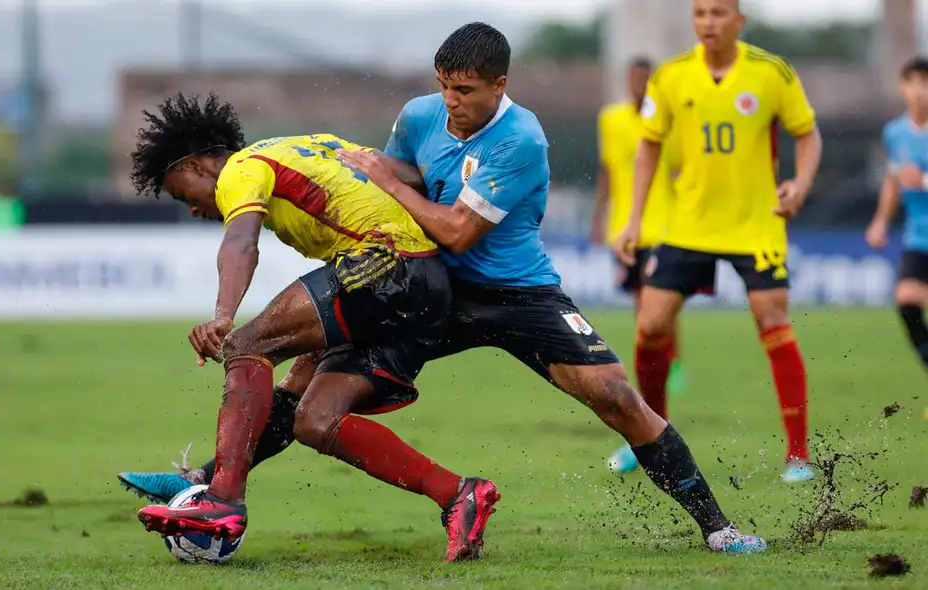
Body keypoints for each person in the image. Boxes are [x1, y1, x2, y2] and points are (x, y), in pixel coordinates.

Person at [122, 22, 767, 555]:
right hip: (426, 292)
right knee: (310, 404)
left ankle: (717, 526)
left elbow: (455, 229)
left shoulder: (521, 138)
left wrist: (391, 184)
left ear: (499, 86)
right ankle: (204, 486)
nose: (452, 101)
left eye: (465, 90)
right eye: (445, 87)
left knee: (617, 398)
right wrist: (365, 178)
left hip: (515, 293)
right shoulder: (420, 116)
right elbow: (388, 180)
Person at [127, 93, 500, 563]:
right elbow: (409, 176)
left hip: (387, 265)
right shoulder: (308, 144)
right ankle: (460, 494)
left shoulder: (242, 168)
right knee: (310, 416)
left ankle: (221, 501)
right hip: (425, 288)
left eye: (183, 193)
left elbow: (242, 241)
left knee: (246, 345)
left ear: (199, 164)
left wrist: (223, 317)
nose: (194, 209)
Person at [613, 0, 823, 484]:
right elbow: (649, 144)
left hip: (756, 224)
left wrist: (801, 184)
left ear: (739, 20)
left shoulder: (772, 73)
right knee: (650, 324)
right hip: (689, 226)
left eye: (719, 12)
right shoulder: (671, 77)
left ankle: (798, 455)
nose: (708, 21)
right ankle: (649, 437)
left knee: (772, 317)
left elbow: (807, 134)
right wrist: (633, 219)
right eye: (701, 12)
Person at [593, 57, 685, 474]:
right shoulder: (610, 119)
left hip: (664, 227)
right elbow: (610, 171)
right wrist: (600, 217)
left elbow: (682, 171)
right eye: (633, 79)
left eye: (646, 80)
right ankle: (649, 427)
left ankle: (653, 412)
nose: (639, 85)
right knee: (642, 313)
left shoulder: (670, 119)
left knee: (654, 313)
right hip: (625, 228)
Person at [866, 57, 928, 381]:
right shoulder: (895, 133)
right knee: (906, 303)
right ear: (903, 87)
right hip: (918, 235)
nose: (919, 91)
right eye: (913, 82)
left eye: (925, 83)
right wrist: (879, 221)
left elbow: (915, 179)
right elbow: (893, 180)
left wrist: (925, 181)